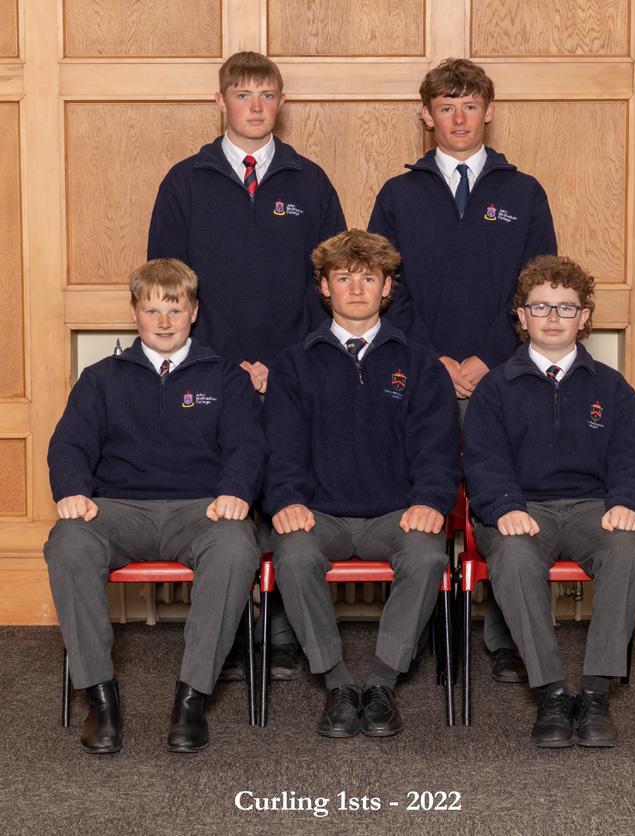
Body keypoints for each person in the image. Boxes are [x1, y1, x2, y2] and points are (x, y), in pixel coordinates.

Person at [148, 50, 346, 675]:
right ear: (221, 102)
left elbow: (333, 285)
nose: (255, 106)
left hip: (294, 369)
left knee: (288, 480)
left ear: (281, 103)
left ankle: (283, 628)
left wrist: (283, 364)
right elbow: (168, 285)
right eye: (242, 94)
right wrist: (229, 363)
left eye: (266, 95)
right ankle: (230, 629)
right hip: (211, 368)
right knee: (226, 490)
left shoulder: (310, 183)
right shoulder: (184, 182)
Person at [369, 56, 558, 683]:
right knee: (417, 492)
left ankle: (507, 637)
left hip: (501, 374)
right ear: (427, 116)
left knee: (506, 493)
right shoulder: (398, 195)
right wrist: (435, 359)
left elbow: (539, 287)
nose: (458, 118)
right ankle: (417, 629)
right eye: (446, 107)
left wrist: (488, 355)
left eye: (469, 106)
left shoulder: (523, 192)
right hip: (419, 374)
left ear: (488, 111)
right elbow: (381, 289)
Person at [44, 258, 266, 754]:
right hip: (118, 511)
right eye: (152, 310)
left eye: (175, 309)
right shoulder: (101, 378)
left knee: (236, 546)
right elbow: (70, 443)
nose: (164, 322)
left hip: (201, 511)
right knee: (68, 542)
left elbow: (248, 445)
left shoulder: (225, 377)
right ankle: (100, 699)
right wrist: (72, 489)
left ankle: (192, 699)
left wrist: (236, 490)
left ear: (194, 313)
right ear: (134, 313)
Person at [262, 229, 460, 738]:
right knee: (293, 554)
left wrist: (430, 500)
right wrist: (285, 499)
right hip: (319, 514)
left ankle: (381, 684)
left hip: (395, 514)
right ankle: (337, 683)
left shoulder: (420, 364)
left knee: (426, 555)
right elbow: (279, 447)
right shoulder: (293, 364)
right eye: (344, 278)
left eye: (368, 278)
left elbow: (438, 448)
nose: (356, 289)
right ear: (324, 286)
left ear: (387, 287)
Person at [463, 255, 635, 748]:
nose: (552, 317)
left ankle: (594, 695)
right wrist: (505, 505)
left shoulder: (612, 388)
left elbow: (633, 455)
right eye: (540, 307)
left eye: (565, 307)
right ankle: (550, 693)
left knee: (627, 550)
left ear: (584, 317)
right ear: (521, 316)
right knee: (514, 557)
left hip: (594, 509)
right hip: (522, 509)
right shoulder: (494, 389)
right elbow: (482, 459)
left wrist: (627, 500)